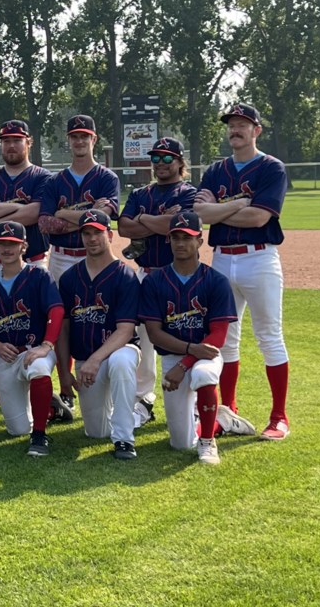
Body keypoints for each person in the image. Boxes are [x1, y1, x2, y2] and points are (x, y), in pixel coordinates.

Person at [194, 103, 290, 440]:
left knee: (269, 337)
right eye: (232, 124)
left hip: (259, 257)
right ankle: (227, 412)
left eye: (243, 124)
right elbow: (201, 215)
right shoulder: (216, 171)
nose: (235, 129)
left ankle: (279, 417)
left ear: (256, 130)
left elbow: (259, 218)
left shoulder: (271, 169)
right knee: (226, 340)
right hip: (221, 258)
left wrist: (217, 211)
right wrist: (236, 205)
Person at [138, 211, 254, 464]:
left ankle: (208, 441)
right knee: (180, 443)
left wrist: (185, 363)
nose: (181, 243)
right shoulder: (155, 280)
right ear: (168, 240)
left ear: (200, 241)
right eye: (176, 237)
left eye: (187, 237)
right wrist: (185, 355)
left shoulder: (215, 281)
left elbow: (219, 336)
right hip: (172, 356)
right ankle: (220, 421)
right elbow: (154, 333)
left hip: (206, 355)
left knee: (203, 374)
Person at [38, 115, 121, 421]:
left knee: (102, 316)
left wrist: (66, 212)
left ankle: (107, 381)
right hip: (61, 256)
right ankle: (65, 386)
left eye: (84, 136)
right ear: (68, 140)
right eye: (74, 136)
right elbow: (45, 223)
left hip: (98, 258)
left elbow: (105, 216)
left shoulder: (107, 177)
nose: (79, 141)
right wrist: (89, 213)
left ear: (94, 140)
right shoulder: (54, 181)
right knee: (62, 321)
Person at [0, 120, 51, 409]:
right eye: (6, 140)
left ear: (28, 142)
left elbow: (36, 214)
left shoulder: (42, 177)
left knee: (37, 322)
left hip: (33, 262)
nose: (12, 145)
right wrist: (18, 210)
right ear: (0, 144)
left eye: (17, 139)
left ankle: (38, 380)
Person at [117, 137, 197, 428]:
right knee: (145, 340)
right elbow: (124, 227)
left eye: (166, 158)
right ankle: (143, 401)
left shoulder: (189, 192)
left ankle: (194, 403)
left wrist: (145, 220)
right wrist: (160, 220)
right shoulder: (141, 192)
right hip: (147, 273)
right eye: (156, 158)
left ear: (179, 162)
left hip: (180, 276)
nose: (160, 164)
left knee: (185, 336)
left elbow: (179, 227)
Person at [56, 210, 141, 460]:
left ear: (110, 235)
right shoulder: (70, 278)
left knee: (121, 362)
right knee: (96, 432)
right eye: (87, 233)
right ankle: (126, 411)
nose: (92, 238)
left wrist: (96, 359)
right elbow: (63, 328)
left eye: (98, 232)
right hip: (85, 363)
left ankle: (124, 439)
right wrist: (63, 373)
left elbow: (125, 330)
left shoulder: (125, 275)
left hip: (118, 351)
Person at [0, 221, 63, 456]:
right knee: (17, 429)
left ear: (24, 246)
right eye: (2, 243)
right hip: (6, 355)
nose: (7, 248)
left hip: (35, 349)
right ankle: (52, 410)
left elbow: (56, 311)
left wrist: (46, 346)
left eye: (12, 244)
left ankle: (40, 435)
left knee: (39, 369)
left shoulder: (39, 276)